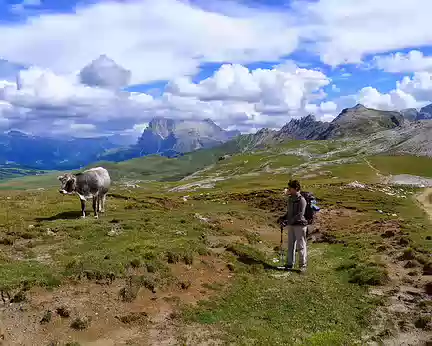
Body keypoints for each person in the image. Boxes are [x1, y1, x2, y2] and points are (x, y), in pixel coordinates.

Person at [278, 179, 308, 272]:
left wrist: (288, 221)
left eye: (290, 188)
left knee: (301, 245)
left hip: (300, 225)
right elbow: (289, 212)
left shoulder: (302, 200)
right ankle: (289, 264)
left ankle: (302, 266)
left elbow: (300, 214)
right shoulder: (290, 199)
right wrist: (283, 218)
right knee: (290, 245)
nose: (289, 190)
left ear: (296, 188)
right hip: (291, 225)